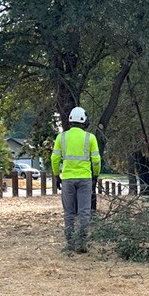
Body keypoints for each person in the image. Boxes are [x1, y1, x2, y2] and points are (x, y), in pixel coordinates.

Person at [51, 107, 101, 253]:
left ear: (70, 121)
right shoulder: (90, 137)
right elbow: (96, 160)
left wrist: (56, 176)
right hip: (85, 178)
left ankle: (70, 243)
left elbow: (54, 158)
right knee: (84, 212)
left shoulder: (62, 137)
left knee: (69, 212)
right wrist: (95, 175)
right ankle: (82, 243)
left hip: (67, 178)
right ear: (84, 121)